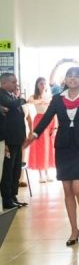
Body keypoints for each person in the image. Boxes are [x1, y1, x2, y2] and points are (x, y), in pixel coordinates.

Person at [24, 67, 79, 245]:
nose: (73, 79)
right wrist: (33, 135)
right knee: (67, 190)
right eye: (70, 76)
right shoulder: (57, 99)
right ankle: (74, 230)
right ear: (65, 79)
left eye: (77, 76)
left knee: (78, 188)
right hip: (63, 148)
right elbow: (46, 118)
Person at [0, 73, 28, 210]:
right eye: (13, 82)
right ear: (4, 83)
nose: (15, 84)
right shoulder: (2, 95)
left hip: (17, 139)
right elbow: (11, 104)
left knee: (16, 170)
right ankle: (6, 198)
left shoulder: (12, 96)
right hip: (8, 139)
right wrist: (22, 99)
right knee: (8, 171)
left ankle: (13, 195)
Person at [26, 77, 55, 183]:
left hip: (48, 120)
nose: (43, 86)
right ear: (37, 85)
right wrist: (42, 101)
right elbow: (30, 101)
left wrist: (55, 126)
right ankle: (40, 175)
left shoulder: (49, 96)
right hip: (38, 121)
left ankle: (47, 173)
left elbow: (53, 110)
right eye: (41, 84)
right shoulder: (33, 96)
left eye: (44, 84)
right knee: (39, 147)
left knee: (48, 147)